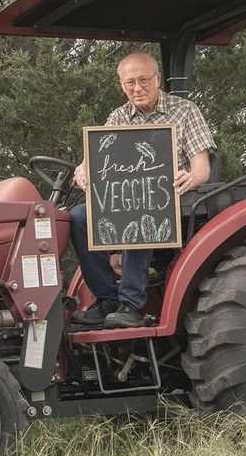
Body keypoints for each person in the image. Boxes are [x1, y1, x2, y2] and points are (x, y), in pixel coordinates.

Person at [70, 52, 216, 329]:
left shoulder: (184, 110)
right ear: (121, 85)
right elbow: (95, 159)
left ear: (157, 78)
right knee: (78, 216)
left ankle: (132, 304)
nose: (137, 88)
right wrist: (82, 170)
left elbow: (201, 167)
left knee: (141, 206)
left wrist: (191, 177)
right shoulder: (119, 116)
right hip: (126, 197)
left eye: (143, 80)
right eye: (130, 83)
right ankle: (108, 298)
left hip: (171, 199)